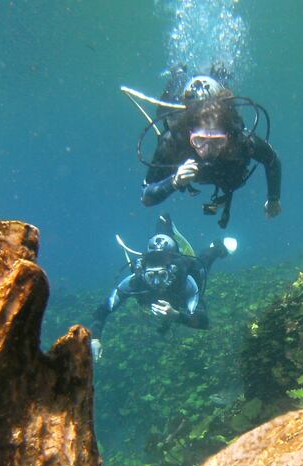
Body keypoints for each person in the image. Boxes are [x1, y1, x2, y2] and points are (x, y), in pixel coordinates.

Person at [141, 73, 282, 229]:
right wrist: (174, 182)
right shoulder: (173, 142)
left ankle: (220, 73)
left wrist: (273, 199)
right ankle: (177, 75)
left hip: (226, 176)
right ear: (189, 134)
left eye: (217, 141)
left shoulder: (241, 141)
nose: (207, 150)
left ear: (228, 135)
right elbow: (147, 197)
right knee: (163, 110)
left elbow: (273, 161)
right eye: (199, 141)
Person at [89, 213, 237, 361]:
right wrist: (95, 338)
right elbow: (103, 310)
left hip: (185, 277)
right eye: (151, 276)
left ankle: (217, 247)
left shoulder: (185, 282)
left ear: (171, 273)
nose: (156, 283)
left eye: (161, 275)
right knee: (162, 236)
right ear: (143, 274)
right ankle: (164, 220)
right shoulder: (136, 281)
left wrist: (176, 315)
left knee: (204, 262)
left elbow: (204, 321)